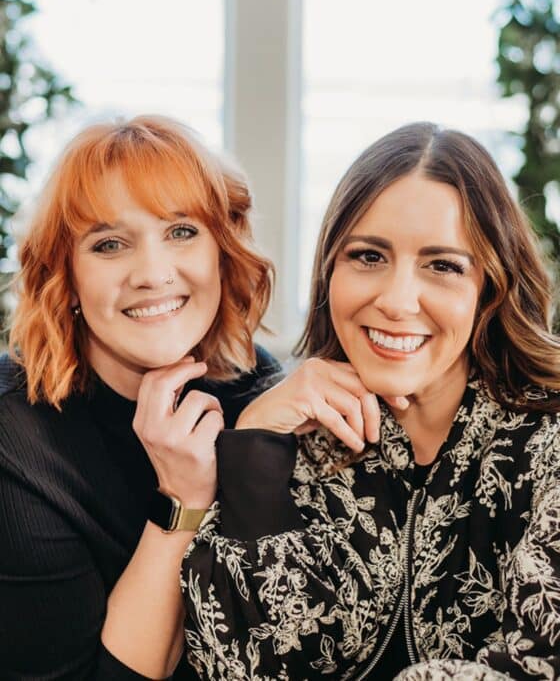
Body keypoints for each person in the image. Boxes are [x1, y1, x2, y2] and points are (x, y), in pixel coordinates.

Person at [179, 122, 560, 680]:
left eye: (443, 265)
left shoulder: (548, 442)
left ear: (491, 286)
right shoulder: (292, 438)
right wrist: (255, 439)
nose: (398, 301)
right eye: (369, 257)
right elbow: (239, 663)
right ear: (330, 269)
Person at [0, 115, 281, 680]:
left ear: (222, 252)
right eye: (110, 244)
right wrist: (179, 502)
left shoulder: (250, 381)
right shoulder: (16, 440)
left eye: (181, 231)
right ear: (67, 277)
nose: (153, 273)